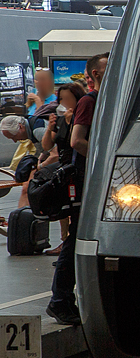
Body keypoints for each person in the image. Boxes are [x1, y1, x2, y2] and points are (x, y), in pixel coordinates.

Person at [47, 52, 107, 325]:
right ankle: (60, 300)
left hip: (96, 180)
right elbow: (77, 141)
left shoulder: (106, 99)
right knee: (76, 239)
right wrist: (103, 161)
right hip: (86, 180)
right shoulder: (89, 101)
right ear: (95, 73)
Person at [40, 83, 85, 255]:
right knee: (62, 205)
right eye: (61, 99)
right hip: (63, 165)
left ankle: (70, 244)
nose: (64, 102)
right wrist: (51, 127)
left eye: (67, 99)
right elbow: (47, 144)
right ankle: (64, 241)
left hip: (77, 166)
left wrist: (71, 121)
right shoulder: (59, 118)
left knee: (74, 207)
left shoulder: (80, 118)